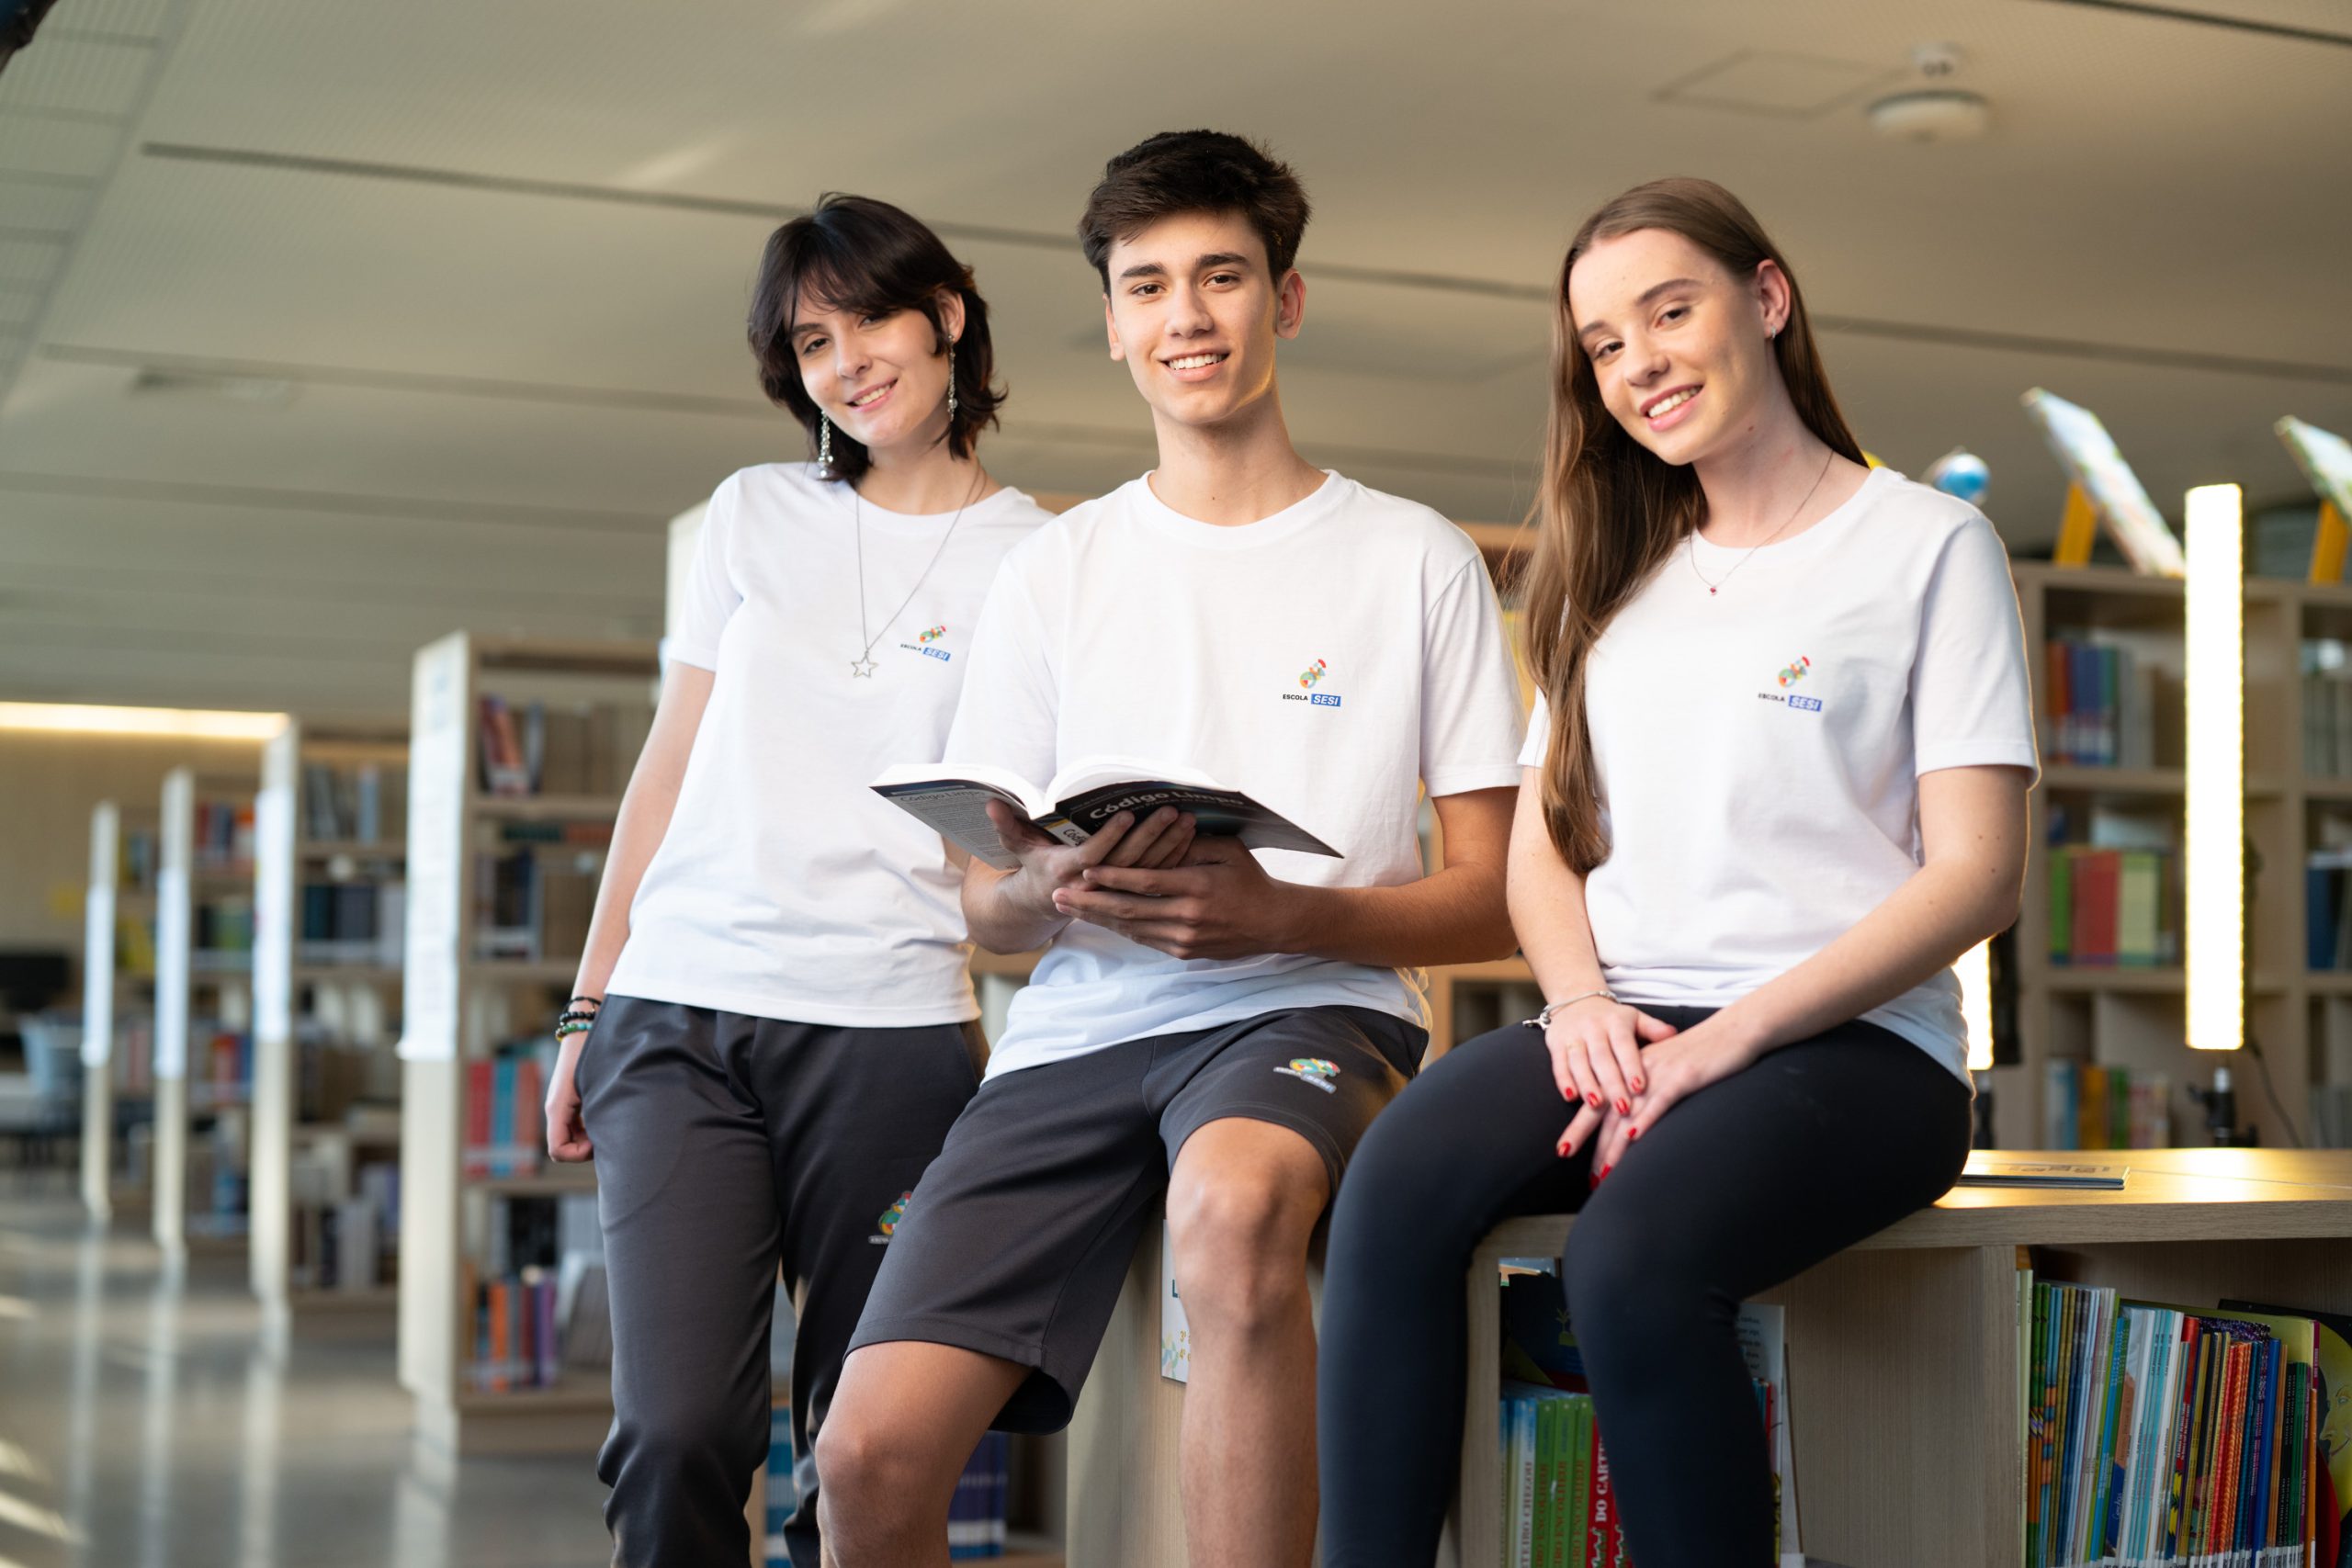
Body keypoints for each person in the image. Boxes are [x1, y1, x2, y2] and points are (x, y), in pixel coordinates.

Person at [814, 130, 1528, 1568]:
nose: (1185, 318)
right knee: (865, 1456)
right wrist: (1033, 885)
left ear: (1288, 299)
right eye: (1149, 286)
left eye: (1221, 277)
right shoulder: (1055, 570)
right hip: (1074, 1035)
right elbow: (989, 914)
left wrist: (1283, 919)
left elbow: (1497, 899)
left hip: (1311, 1010)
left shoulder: (1415, 558)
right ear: (1113, 318)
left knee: (1234, 1204)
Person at [1315, 176, 2037, 1567]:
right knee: (1388, 1193)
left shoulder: (1927, 548)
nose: (1638, 359)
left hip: (1854, 1053)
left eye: (1668, 310)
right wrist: (1579, 1002)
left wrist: (1735, 1041)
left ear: (1765, 301)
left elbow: (1980, 875)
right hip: (1623, 1020)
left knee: (1632, 1269)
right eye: (1602, 342)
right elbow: (1541, 846)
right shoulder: (1612, 570)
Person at [540, 193, 1053, 1568]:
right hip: (678, 1016)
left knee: (861, 1451)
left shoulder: (1043, 559)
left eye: (871, 318)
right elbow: (670, 762)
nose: (847, 363)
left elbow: (1002, 846)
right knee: (675, 1436)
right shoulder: (750, 514)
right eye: (809, 342)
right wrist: (588, 1009)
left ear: (947, 316)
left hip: (890, 1034)